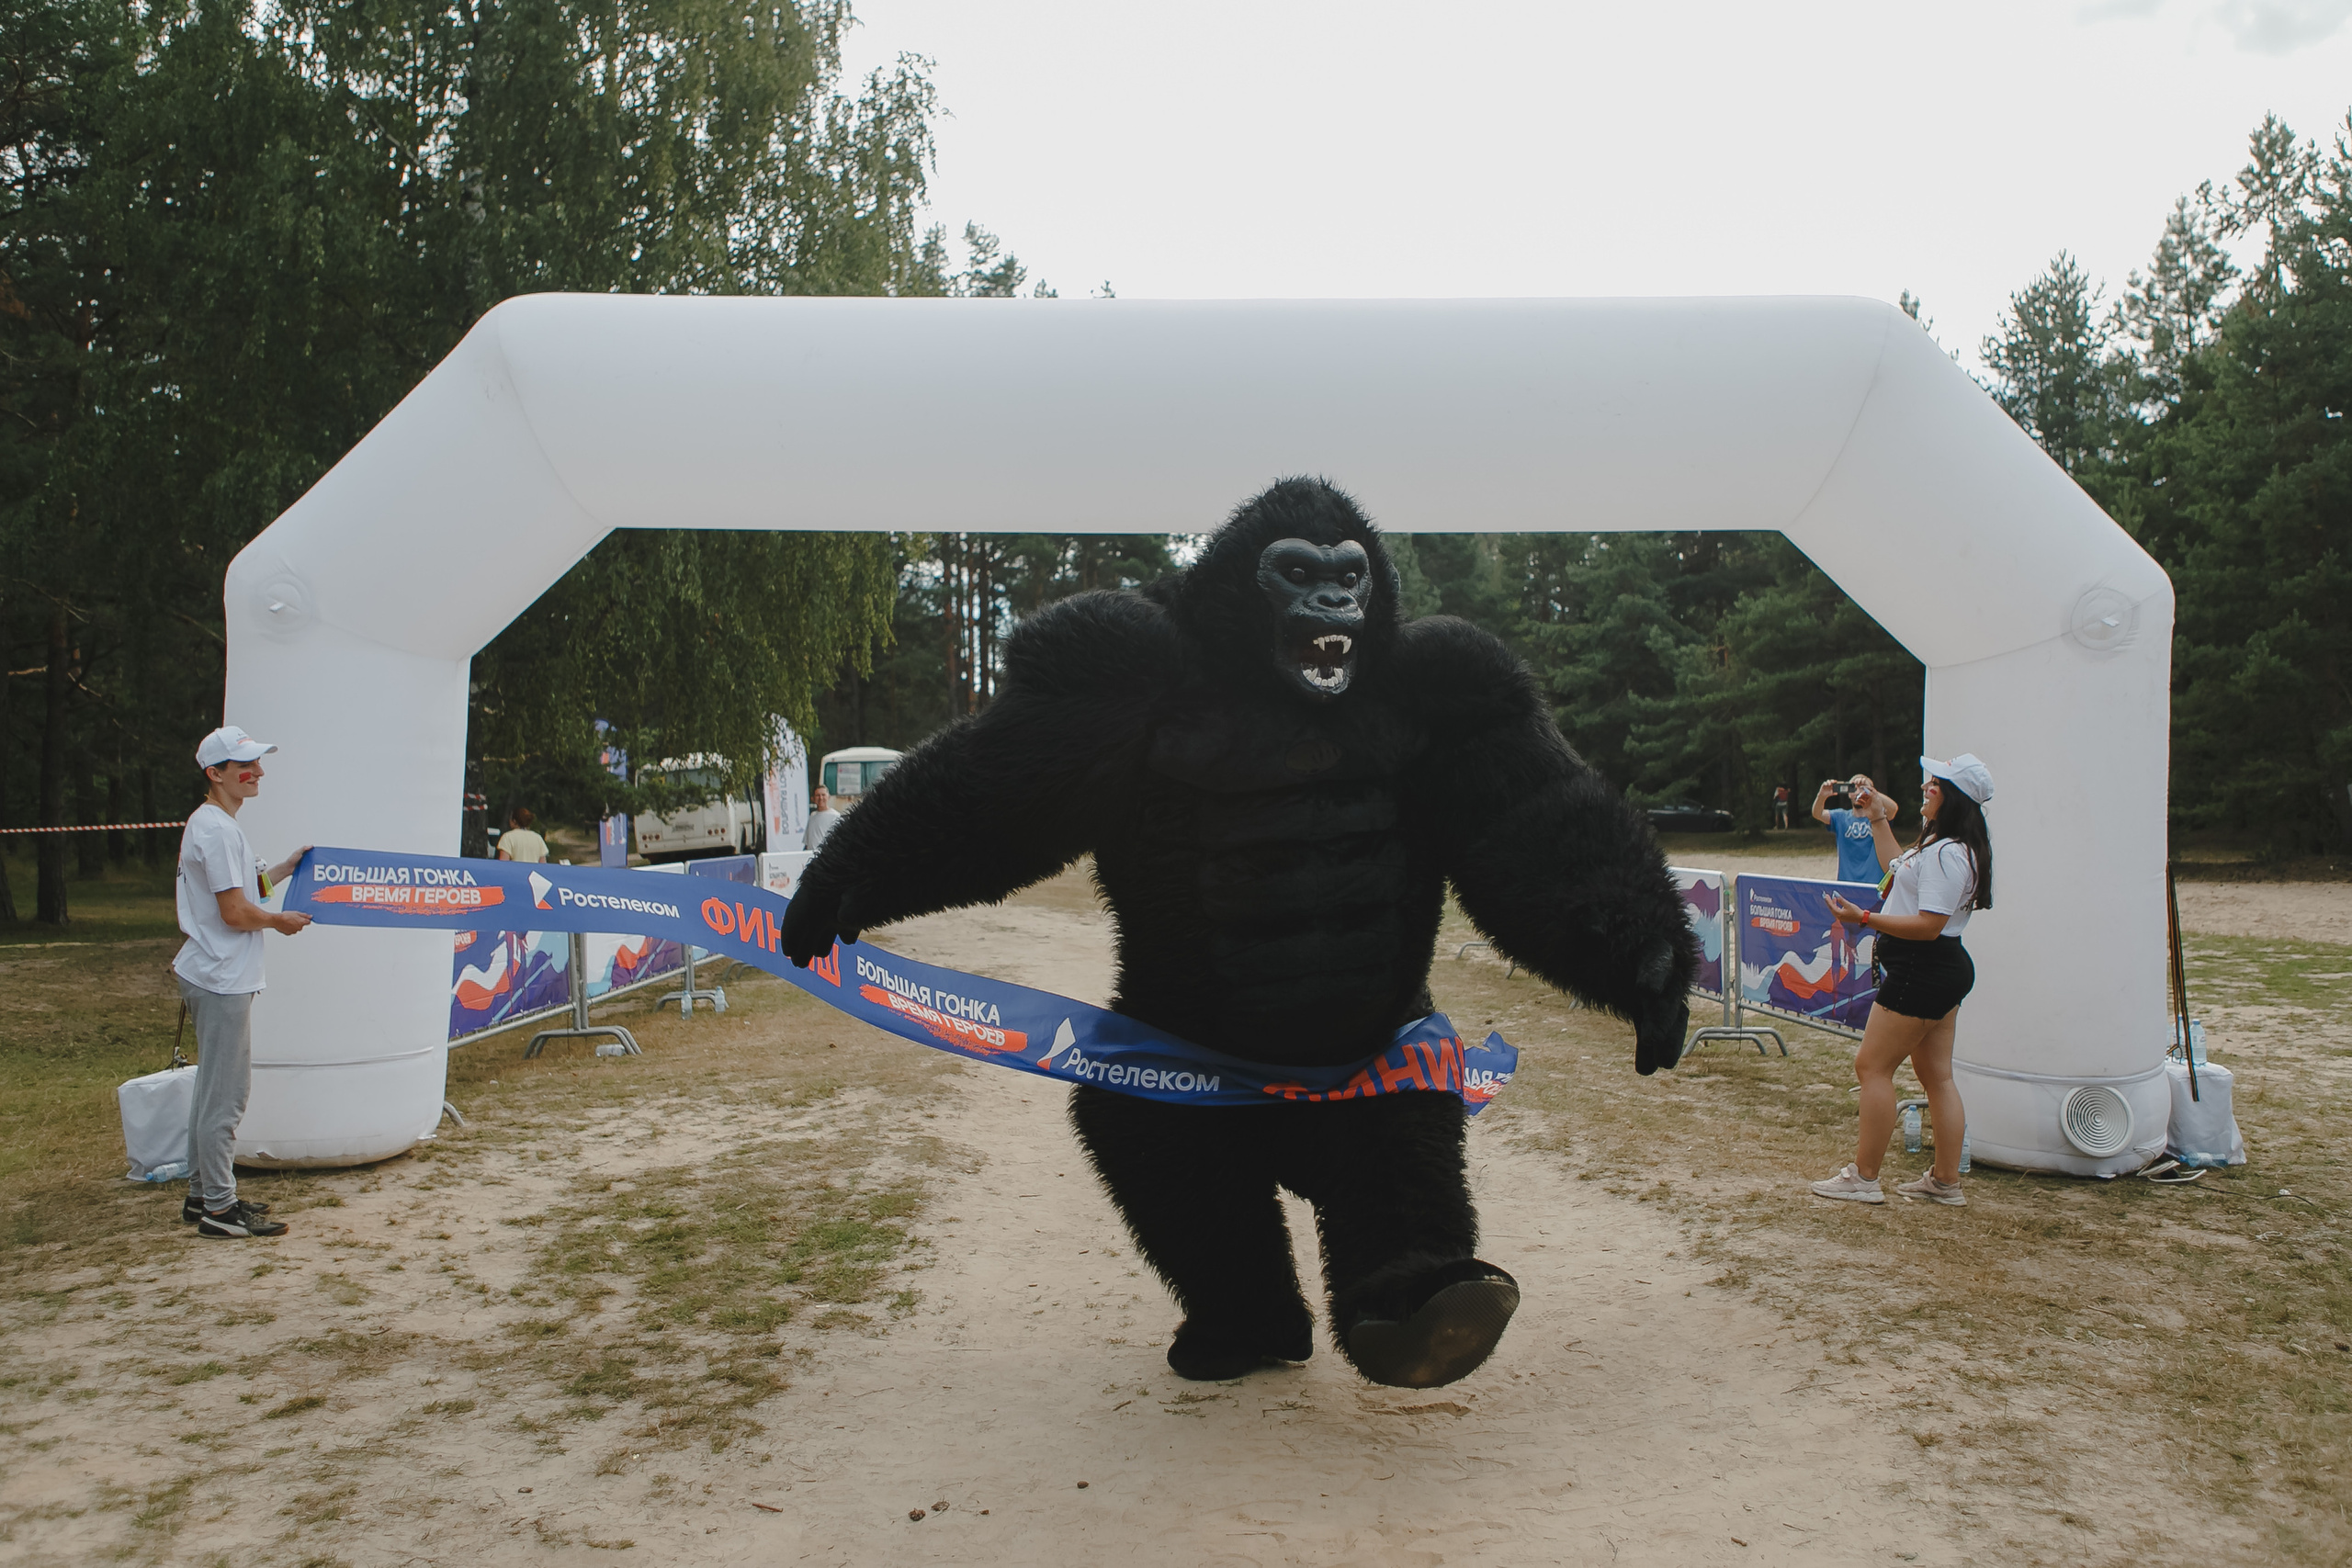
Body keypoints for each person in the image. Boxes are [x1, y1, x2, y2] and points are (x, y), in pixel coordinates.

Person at [1811, 753, 1996, 1207]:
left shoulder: (1949, 852)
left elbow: (1929, 924)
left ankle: (1864, 1178)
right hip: (1940, 969)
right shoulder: (1945, 845)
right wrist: (1877, 819)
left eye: (1935, 783)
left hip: (1923, 970)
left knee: (1871, 1067)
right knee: (1938, 1078)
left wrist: (1866, 918)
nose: (1925, 788)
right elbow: (1897, 869)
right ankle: (1944, 1183)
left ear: (1954, 797)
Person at [175, 726, 312, 1239]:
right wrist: (279, 922)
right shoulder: (215, 829)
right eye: (243, 767)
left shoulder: (219, 825)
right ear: (215, 774)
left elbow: (247, 887)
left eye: (256, 763)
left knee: (210, 1091)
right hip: (220, 977)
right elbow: (233, 912)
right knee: (226, 1095)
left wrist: (287, 867)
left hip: (216, 974)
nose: (257, 773)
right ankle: (219, 1208)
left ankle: (202, 1195)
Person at [1812, 773, 1896, 884]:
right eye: (1853, 788)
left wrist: (1870, 790)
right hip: (1846, 883)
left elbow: (1893, 809)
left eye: (1862, 788)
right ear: (1848, 793)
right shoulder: (1840, 817)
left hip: (1875, 883)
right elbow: (1817, 814)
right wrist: (1821, 796)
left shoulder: (1878, 818)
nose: (1858, 792)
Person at [804, 784, 842, 852]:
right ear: (813, 798)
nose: (821, 798)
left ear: (828, 797)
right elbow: (808, 841)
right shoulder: (812, 816)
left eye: (823, 795)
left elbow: (838, 841)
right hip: (810, 855)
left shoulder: (835, 816)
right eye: (817, 795)